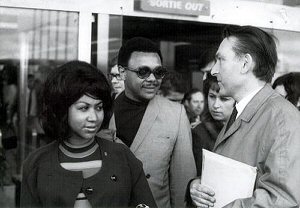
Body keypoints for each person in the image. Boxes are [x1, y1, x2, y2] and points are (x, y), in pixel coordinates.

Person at [189, 25, 300, 207]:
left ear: (245, 64)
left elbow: (282, 200)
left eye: (221, 60)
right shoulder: (242, 110)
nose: (213, 70)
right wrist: (199, 186)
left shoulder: (281, 119)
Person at [20, 60, 157, 208]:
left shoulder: (123, 157)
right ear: (62, 109)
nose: (94, 117)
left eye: (98, 107)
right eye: (84, 108)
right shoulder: (36, 163)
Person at [107, 37, 196, 208]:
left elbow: (182, 182)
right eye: (143, 72)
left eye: (158, 72)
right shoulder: (102, 111)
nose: (152, 79)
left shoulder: (175, 114)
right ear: (122, 72)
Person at [192, 73, 235, 175]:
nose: (216, 105)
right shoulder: (199, 132)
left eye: (224, 99)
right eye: (212, 96)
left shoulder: (247, 128)